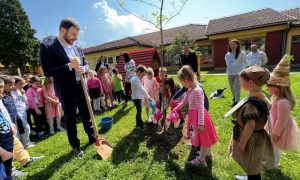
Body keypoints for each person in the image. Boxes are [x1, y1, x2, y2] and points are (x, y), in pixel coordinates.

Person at [40, 18, 95, 157]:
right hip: (65, 90)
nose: (76, 38)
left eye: (77, 35)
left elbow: (86, 63)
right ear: (63, 31)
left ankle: (93, 138)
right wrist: (69, 66)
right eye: (73, 35)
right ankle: (75, 146)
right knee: (70, 119)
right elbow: (47, 71)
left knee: (86, 113)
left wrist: (85, 68)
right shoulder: (48, 46)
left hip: (81, 86)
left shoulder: (77, 47)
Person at [229, 66, 275, 180]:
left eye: (241, 81)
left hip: (250, 138)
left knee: (252, 162)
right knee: (253, 162)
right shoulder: (261, 96)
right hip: (257, 136)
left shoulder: (252, 104)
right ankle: (250, 177)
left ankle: (252, 178)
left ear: (250, 83)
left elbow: (250, 125)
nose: (239, 83)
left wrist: (243, 142)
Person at [173, 66, 217, 166]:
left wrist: (201, 123)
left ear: (187, 79)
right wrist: (175, 109)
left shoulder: (197, 91)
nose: (182, 85)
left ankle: (201, 159)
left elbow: (201, 108)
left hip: (200, 119)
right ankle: (208, 154)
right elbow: (184, 103)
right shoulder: (190, 91)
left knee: (204, 138)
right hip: (194, 117)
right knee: (203, 137)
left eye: (182, 82)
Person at [265, 55, 300, 169]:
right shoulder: (276, 98)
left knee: (275, 146)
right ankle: (271, 161)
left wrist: (275, 133)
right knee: (271, 146)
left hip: (278, 129)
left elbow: (281, 120)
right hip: (272, 125)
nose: (267, 88)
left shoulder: (283, 102)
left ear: (278, 88)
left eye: (269, 86)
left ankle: (274, 164)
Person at [11, 76, 35, 148]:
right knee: (25, 127)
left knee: (25, 127)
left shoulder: (19, 91)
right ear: (14, 84)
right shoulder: (11, 93)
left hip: (23, 112)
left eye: (23, 84)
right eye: (20, 84)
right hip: (18, 114)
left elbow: (24, 100)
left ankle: (27, 142)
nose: (22, 86)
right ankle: (26, 143)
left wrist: (23, 94)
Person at [225, 39, 248, 107]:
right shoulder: (227, 54)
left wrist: (245, 71)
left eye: (234, 44)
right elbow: (227, 64)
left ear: (237, 45)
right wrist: (227, 70)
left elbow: (245, 63)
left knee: (237, 87)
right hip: (230, 73)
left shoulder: (242, 53)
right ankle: (235, 97)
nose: (232, 46)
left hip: (238, 73)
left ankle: (237, 101)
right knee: (232, 87)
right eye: (231, 45)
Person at [131, 65, 152, 129]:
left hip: (138, 97)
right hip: (136, 98)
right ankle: (140, 124)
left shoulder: (136, 78)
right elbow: (142, 88)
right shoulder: (135, 79)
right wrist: (148, 97)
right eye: (143, 74)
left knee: (139, 111)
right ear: (139, 71)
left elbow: (141, 88)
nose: (143, 76)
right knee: (139, 111)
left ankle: (138, 124)